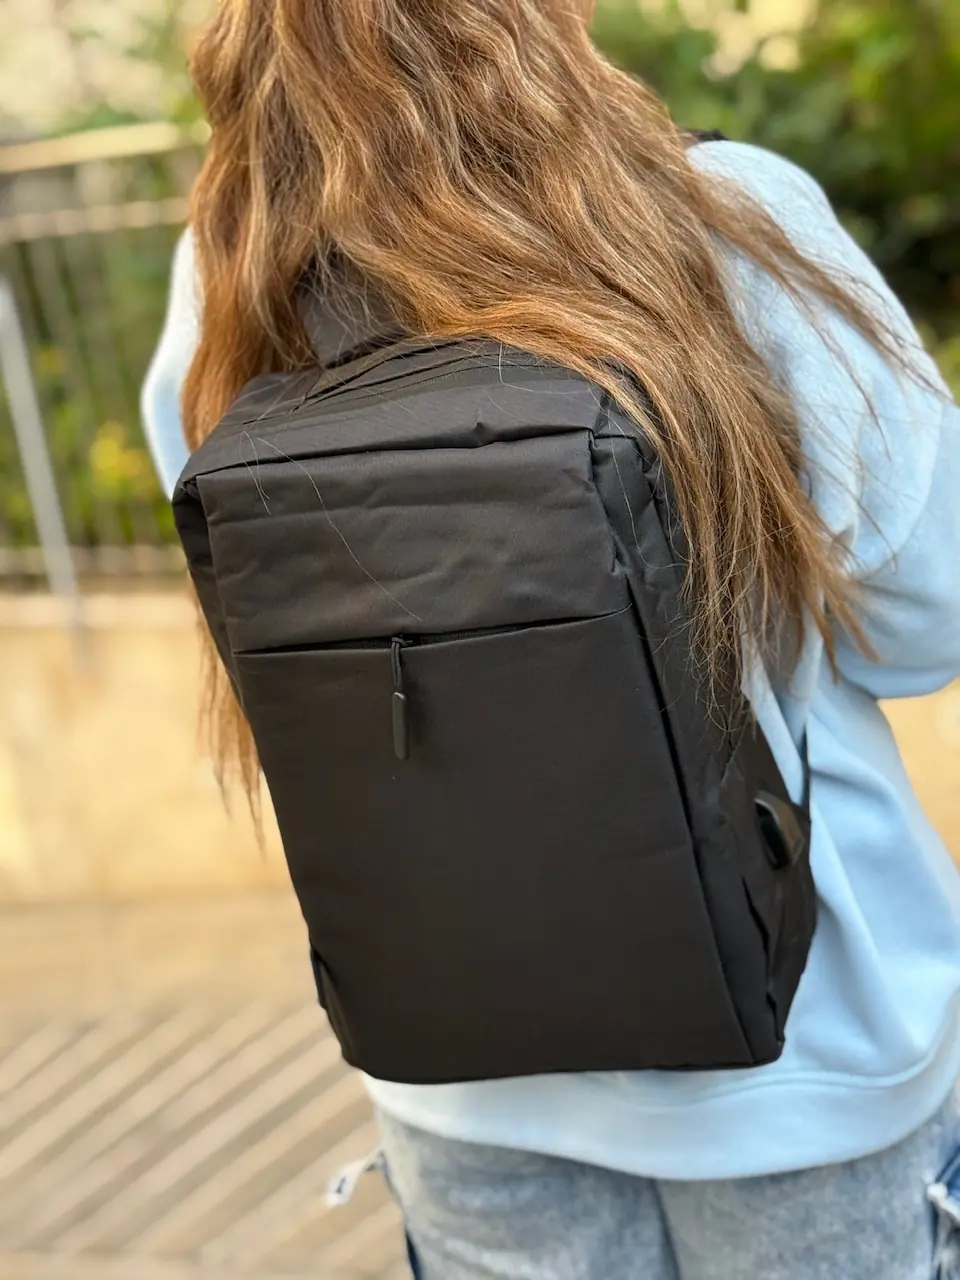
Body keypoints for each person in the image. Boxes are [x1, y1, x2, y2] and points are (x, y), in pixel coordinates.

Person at [142, 2, 960, 1276]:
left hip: (458, 1067)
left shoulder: (228, 276)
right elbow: (926, 617)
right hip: (806, 1060)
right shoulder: (722, 215)